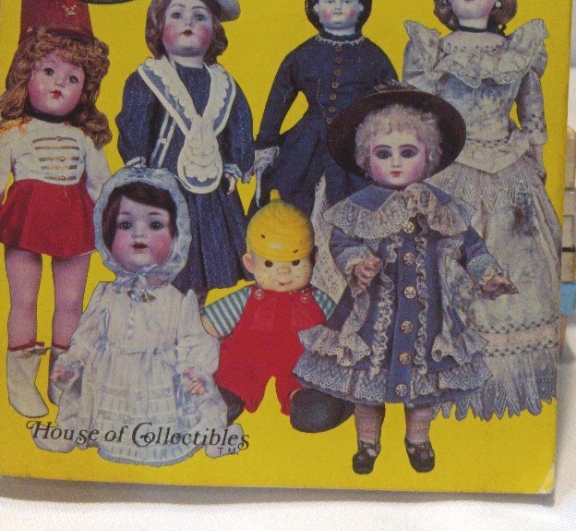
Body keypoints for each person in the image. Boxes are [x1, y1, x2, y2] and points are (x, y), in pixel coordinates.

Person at [293, 84, 516, 475]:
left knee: (422, 387)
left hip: (428, 317)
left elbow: (470, 246)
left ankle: (418, 440)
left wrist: (488, 274)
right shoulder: (359, 207)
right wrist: (356, 263)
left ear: (429, 157)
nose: (395, 163)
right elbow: (341, 241)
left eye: (407, 153)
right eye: (383, 154)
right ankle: (367, 444)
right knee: (367, 385)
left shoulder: (442, 206)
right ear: (366, 160)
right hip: (369, 317)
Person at [403, 0, 561, 420]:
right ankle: (446, 373)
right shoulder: (433, 49)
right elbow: (419, 114)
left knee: (519, 261)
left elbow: (531, 111)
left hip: (509, 168)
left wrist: (536, 155)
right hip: (452, 168)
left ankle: (504, 377)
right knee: (446, 259)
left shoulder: (518, 49)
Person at [33, 167, 229, 465]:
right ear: (107, 234)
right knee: (89, 406)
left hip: (158, 384)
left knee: (172, 421)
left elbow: (193, 343)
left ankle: (196, 437)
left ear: (177, 237)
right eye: (125, 224)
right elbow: (87, 338)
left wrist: (194, 373)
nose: (139, 233)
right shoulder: (106, 294)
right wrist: (73, 363)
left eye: (155, 224)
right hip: (111, 380)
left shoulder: (178, 299)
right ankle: (75, 430)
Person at [0, 0, 111, 419]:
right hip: (26, 216)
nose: (58, 84)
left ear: (85, 89)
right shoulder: (14, 131)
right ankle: (20, 380)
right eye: (47, 71)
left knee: (70, 303)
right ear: (25, 73)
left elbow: (101, 186)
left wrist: (111, 226)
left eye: (72, 78)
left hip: (73, 219)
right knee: (24, 299)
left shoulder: (84, 137)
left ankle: (63, 379)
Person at [116, 0, 254, 304]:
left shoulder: (224, 84)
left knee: (203, 266)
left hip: (211, 195)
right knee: (163, 265)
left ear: (215, 31)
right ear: (158, 23)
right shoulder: (149, 78)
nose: (189, 23)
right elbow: (134, 122)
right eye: (177, 14)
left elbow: (239, 124)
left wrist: (235, 164)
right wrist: (137, 165)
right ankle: (161, 323)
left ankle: (194, 318)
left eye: (200, 17)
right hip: (164, 190)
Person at [253, 0, 397, 298]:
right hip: (306, 145)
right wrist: (267, 141)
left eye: (346, 0)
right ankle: (296, 284)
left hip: (355, 148)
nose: (338, 6)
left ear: (361, 7)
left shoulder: (374, 56)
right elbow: (279, 98)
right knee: (296, 208)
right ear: (315, 8)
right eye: (329, 0)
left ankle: (350, 287)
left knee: (356, 210)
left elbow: (392, 104)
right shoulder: (301, 54)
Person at [203, 190, 338, 425]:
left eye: (295, 262)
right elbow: (210, 324)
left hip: (301, 361)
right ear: (250, 263)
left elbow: (340, 326)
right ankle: (229, 394)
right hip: (248, 358)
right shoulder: (246, 298)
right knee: (234, 372)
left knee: (310, 378)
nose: (283, 272)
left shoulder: (319, 299)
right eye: (269, 263)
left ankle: (307, 402)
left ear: (314, 258)